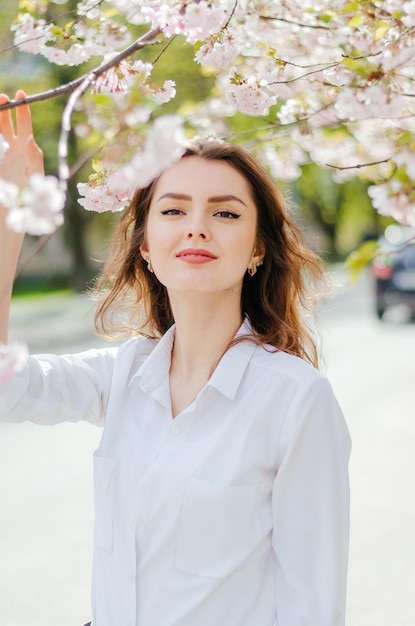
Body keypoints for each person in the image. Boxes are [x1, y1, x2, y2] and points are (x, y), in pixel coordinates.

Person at [0, 91, 351, 626]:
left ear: (258, 248)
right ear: (146, 244)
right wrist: (9, 213)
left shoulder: (295, 399)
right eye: (173, 210)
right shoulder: (122, 374)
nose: (197, 227)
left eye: (226, 212)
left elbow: (312, 603)